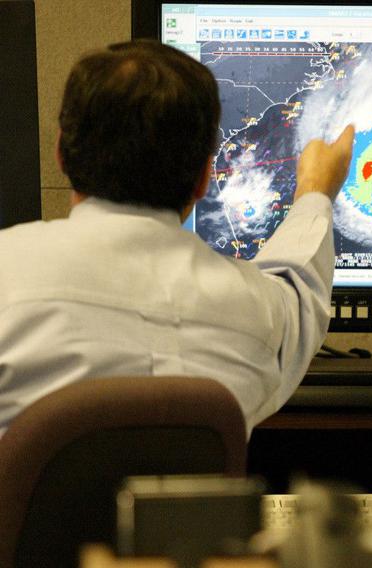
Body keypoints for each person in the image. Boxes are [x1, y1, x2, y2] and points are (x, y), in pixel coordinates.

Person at [0, 40, 354, 437]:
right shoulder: (261, 315)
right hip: (191, 504)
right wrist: (315, 192)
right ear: (205, 176)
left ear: (61, 154)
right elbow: (300, 293)